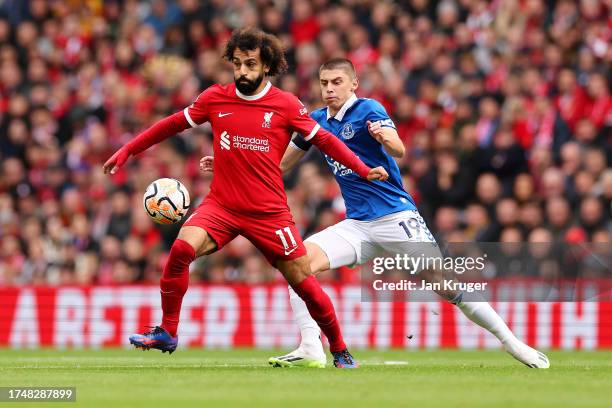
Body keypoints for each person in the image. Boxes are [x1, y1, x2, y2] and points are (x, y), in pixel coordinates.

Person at [201, 58, 550, 369]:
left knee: (445, 285)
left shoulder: (369, 109)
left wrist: (385, 138)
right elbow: (277, 165)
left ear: (353, 83)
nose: (329, 89)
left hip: (395, 218)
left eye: (337, 82)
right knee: (296, 262)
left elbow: (399, 149)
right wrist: (233, 164)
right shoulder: (316, 121)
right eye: (324, 83)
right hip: (358, 225)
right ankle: (311, 347)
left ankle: (512, 343)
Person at [103, 29, 389, 368]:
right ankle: (168, 330)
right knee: (181, 249)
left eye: (250, 64)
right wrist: (127, 150)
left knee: (304, 282)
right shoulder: (215, 98)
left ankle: (340, 348)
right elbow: (170, 125)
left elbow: (325, 141)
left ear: (266, 65)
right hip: (221, 205)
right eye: (237, 64)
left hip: (268, 213)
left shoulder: (286, 104)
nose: (242, 71)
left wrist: (361, 168)